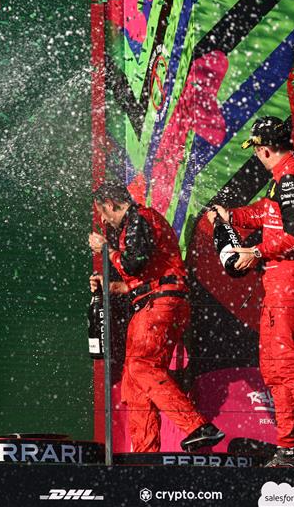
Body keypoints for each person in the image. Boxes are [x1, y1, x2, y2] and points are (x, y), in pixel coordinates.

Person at [207, 116, 294, 467]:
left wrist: (256, 252)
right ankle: (288, 447)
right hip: (279, 279)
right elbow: (266, 213)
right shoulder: (282, 178)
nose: (256, 156)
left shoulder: (291, 179)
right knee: (273, 368)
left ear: (264, 148)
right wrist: (231, 217)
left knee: (287, 364)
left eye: (257, 150)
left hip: (291, 277)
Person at [89, 182, 224, 453]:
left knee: (142, 368)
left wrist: (107, 251)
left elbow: (133, 263)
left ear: (112, 204)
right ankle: (145, 455)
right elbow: (139, 276)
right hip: (153, 303)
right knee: (135, 383)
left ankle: (198, 426)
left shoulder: (141, 218)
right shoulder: (135, 225)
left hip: (161, 304)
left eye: (102, 212)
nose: (103, 220)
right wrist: (112, 286)